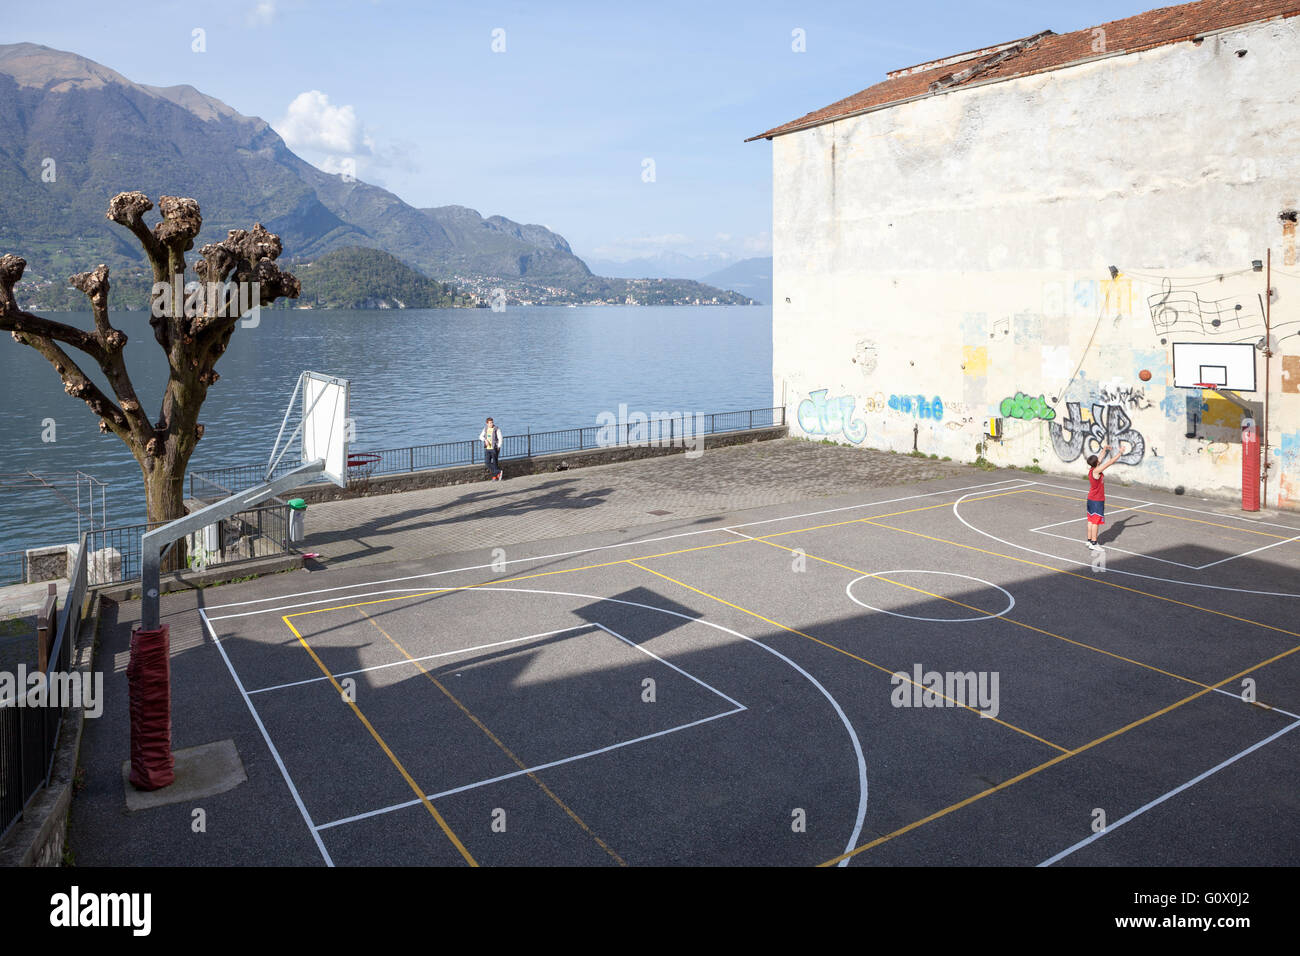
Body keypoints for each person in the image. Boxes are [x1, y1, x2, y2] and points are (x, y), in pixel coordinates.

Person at [1085, 442, 1124, 550]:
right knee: (1095, 522)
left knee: (1090, 520)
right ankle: (1094, 543)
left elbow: (1100, 458)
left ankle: (1089, 541)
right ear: (1096, 462)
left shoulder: (1092, 469)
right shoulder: (1097, 470)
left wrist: (1105, 449)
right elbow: (1110, 462)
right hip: (1097, 500)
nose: (1099, 459)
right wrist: (1120, 453)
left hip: (1091, 499)